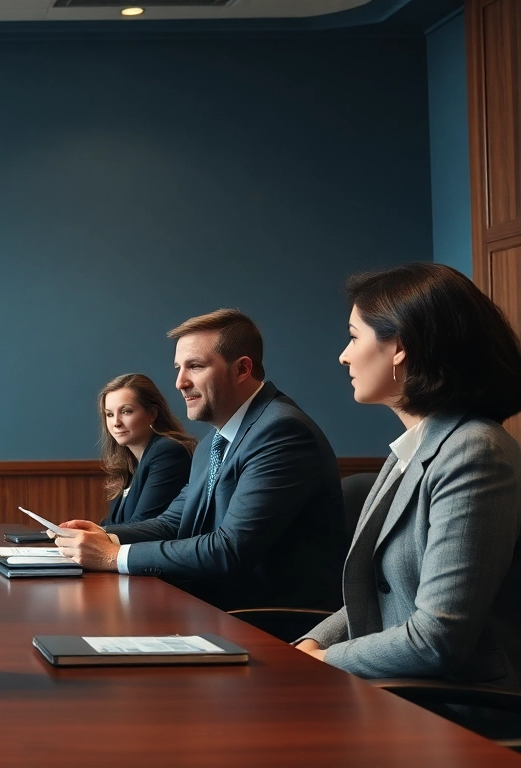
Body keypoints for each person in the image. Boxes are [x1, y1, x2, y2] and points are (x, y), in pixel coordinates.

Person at [296, 263, 521, 694]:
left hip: (459, 708)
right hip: (399, 689)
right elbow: (379, 593)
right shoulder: (417, 446)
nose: (344, 354)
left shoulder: (476, 452)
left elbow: (437, 640)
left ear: (399, 345)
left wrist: (323, 661)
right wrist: (311, 643)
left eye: (354, 335)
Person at [53, 309, 344, 611]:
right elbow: (174, 522)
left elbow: (229, 550)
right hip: (210, 607)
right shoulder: (212, 443)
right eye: (178, 368)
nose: (179, 382)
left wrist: (113, 556)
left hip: (268, 620)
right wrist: (104, 535)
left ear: (242, 369)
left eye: (195, 366)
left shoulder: (281, 431)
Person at [97, 373, 195, 526]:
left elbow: (142, 524)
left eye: (126, 411)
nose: (116, 422)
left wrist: (91, 535)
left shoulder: (168, 451)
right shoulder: (129, 463)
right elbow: (112, 524)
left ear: (152, 414)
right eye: (109, 414)